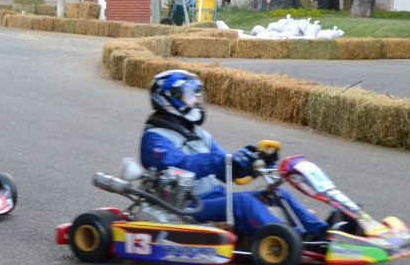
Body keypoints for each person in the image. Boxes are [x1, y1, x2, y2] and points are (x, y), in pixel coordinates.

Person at [140, 69, 326, 239]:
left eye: (197, 95)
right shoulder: (154, 138)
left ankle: (321, 233)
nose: (196, 102)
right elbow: (180, 164)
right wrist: (221, 160)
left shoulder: (199, 134)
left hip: (213, 198)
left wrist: (250, 162)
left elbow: (226, 170)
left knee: (277, 194)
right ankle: (289, 240)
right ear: (170, 98)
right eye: (190, 96)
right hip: (185, 207)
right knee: (242, 203)